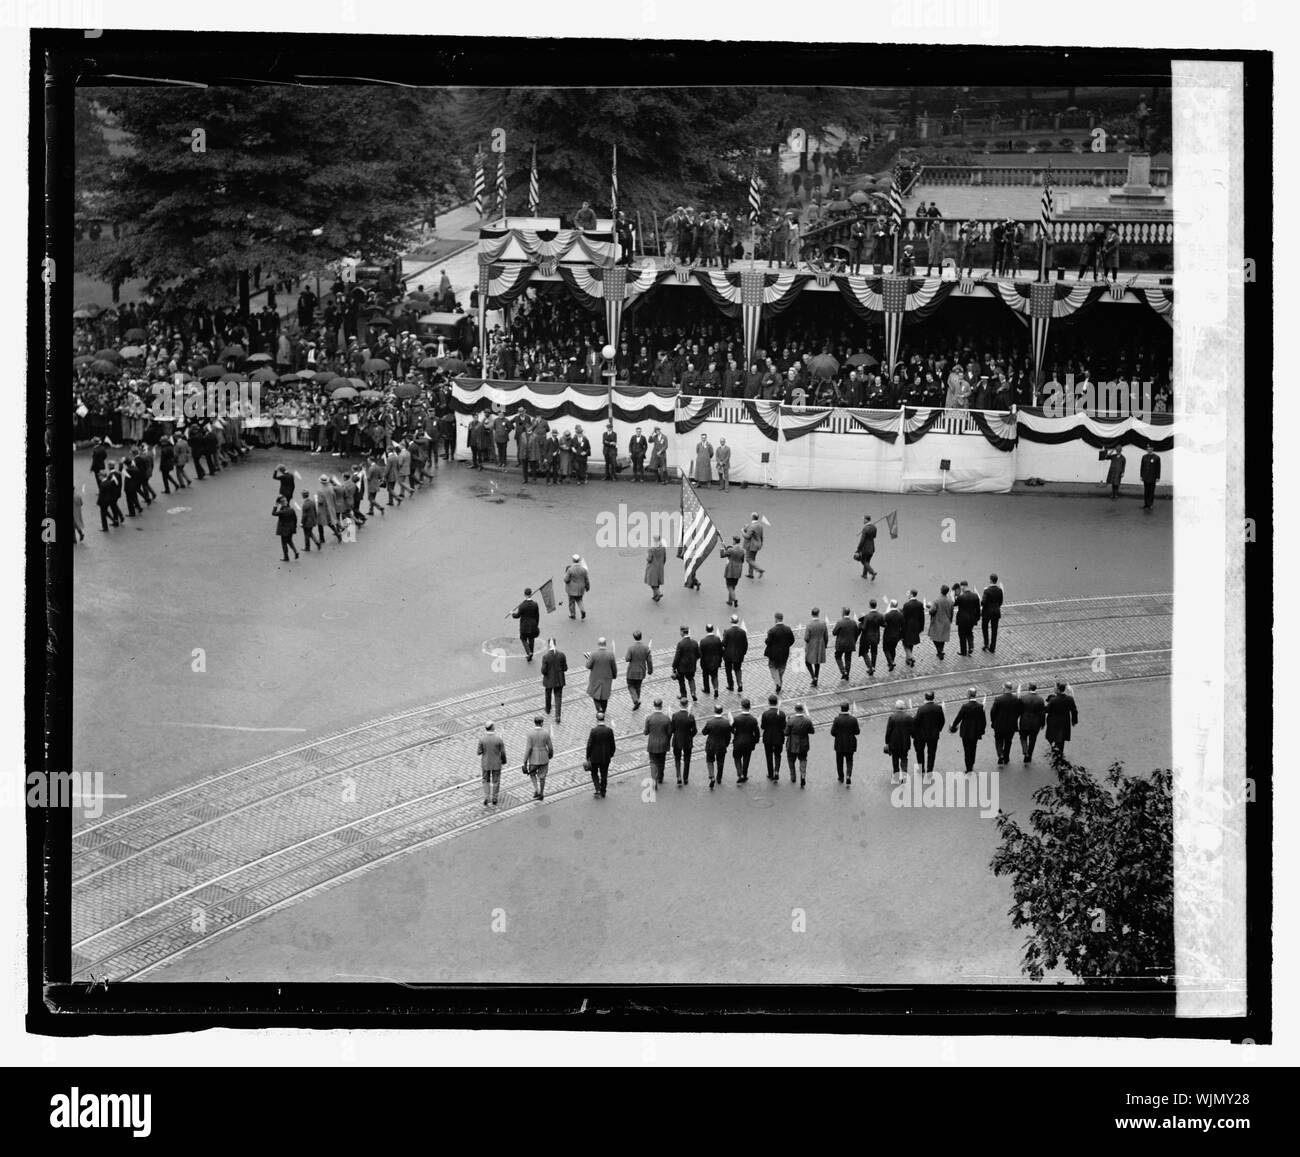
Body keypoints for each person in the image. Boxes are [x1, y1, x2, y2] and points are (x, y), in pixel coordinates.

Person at [949, 687, 987, 774]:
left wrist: (953, 727)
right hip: (976, 732)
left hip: (965, 732)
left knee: (967, 750)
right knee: (973, 748)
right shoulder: (980, 706)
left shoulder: (965, 706)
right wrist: (982, 730)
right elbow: (983, 721)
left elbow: (958, 718)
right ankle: (972, 763)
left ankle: (968, 768)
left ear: (969, 695)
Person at [912, 691, 945, 779]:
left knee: (920, 752)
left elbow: (916, 722)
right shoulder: (938, 708)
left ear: (925, 698)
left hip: (921, 736)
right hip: (933, 735)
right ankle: (929, 771)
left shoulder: (921, 709)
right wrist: (938, 730)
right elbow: (942, 721)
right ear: (933, 697)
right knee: (931, 753)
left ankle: (921, 769)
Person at [1044, 680, 1079, 761]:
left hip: (1054, 722)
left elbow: (1046, 710)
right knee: (1062, 739)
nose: (1055, 689)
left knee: (1053, 737)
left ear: (1059, 690)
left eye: (1056, 688)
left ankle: (1055, 753)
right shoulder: (1069, 699)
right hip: (1065, 722)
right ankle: (1060, 754)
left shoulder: (1053, 700)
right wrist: (1074, 721)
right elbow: (1074, 710)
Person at [990, 681, 1023, 766]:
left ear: (1004, 688)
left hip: (999, 725)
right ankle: (1006, 758)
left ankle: (1000, 755)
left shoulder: (998, 699)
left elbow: (993, 712)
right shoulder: (1016, 699)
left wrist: (993, 721)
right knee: (1008, 742)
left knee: (998, 741)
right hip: (1011, 725)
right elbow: (1020, 711)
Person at [784, 702, 815, 788]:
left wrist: (786, 723)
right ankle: (803, 776)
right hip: (803, 745)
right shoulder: (807, 721)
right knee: (803, 760)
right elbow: (812, 731)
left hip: (792, 745)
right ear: (802, 710)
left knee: (791, 761)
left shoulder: (790, 721)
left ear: (795, 710)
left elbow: (786, 733)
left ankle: (793, 777)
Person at [702, 703, 732, 790]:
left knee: (710, 761)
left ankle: (712, 777)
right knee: (720, 762)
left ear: (714, 711)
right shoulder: (726, 723)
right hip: (722, 745)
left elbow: (704, 732)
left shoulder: (710, 722)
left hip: (711, 745)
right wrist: (726, 744)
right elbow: (728, 736)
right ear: (722, 711)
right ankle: (719, 778)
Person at [477, 721, 507, 808]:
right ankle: (494, 798)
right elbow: (503, 752)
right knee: (496, 781)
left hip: (486, 763)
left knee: (486, 780)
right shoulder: (498, 739)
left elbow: (479, 752)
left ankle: (487, 797)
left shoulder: (482, 739)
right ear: (493, 727)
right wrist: (504, 761)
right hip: (496, 763)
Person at [523, 716, 554, 801]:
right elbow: (550, 747)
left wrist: (525, 761)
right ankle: (542, 793)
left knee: (532, 774)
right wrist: (550, 755)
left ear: (535, 723)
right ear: (541, 723)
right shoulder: (546, 733)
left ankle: (536, 789)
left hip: (533, 759)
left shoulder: (530, 734)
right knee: (542, 777)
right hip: (544, 758)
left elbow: (528, 749)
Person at [585, 637, 618, 717]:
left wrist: (588, 659)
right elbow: (614, 667)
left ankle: (599, 709)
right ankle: (603, 710)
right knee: (605, 696)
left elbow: (588, 666)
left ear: (598, 644)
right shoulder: (611, 655)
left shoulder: (594, 654)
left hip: (595, 679)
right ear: (605, 644)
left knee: (595, 696)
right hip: (606, 679)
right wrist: (614, 676)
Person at [586, 711, 616, 798]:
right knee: (604, 775)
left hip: (594, 757)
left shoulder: (594, 731)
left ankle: (597, 789)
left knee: (594, 773)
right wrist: (610, 754)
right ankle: (603, 791)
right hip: (605, 757)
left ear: (597, 720)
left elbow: (589, 745)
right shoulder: (609, 731)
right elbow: (613, 745)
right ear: (604, 719)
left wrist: (588, 756)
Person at [764, 612, 795, 694]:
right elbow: (792, 640)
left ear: (776, 619)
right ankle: (779, 682)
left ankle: (778, 683)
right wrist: (786, 646)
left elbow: (768, 642)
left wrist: (766, 640)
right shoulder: (788, 629)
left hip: (773, 654)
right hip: (784, 653)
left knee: (772, 667)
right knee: (781, 669)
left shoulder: (772, 631)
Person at [830, 701, 860, 786]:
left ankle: (841, 777)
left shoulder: (837, 719)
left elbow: (832, 732)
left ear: (841, 709)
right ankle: (848, 775)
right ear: (848, 709)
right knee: (849, 760)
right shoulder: (853, 719)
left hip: (839, 744)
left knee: (839, 762)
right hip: (850, 744)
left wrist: (838, 736)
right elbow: (857, 732)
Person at [884, 699, 914, 786]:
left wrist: (887, 741)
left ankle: (896, 776)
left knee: (895, 759)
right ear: (903, 708)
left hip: (894, 743)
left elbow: (888, 730)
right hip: (905, 743)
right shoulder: (908, 717)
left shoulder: (892, 717)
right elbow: (912, 730)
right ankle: (904, 775)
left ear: (896, 708)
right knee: (904, 758)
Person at [730, 698, 759, 784]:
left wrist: (733, 729)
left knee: (737, 758)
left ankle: (740, 774)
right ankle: (744, 774)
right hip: (749, 742)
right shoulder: (753, 720)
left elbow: (732, 729)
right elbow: (756, 733)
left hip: (738, 741)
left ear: (742, 707)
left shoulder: (737, 718)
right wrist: (755, 741)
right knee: (746, 759)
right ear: (749, 707)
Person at [644, 698, 672, 786]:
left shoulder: (649, 718)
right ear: (661, 706)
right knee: (661, 762)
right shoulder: (666, 718)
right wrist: (666, 740)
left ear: (654, 706)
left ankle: (654, 779)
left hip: (652, 744)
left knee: (653, 762)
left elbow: (646, 732)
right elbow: (669, 733)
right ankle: (660, 777)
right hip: (663, 744)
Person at [670, 697, 697, 786]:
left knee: (677, 759)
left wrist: (676, 732)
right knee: (687, 759)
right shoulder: (691, 716)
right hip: (687, 740)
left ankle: (678, 776)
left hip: (677, 739)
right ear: (686, 705)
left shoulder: (675, 715)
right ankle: (685, 778)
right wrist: (690, 736)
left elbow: (672, 729)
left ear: (680, 704)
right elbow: (695, 730)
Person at [760, 695, 787, 782]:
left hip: (768, 738)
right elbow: (783, 727)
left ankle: (770, 773)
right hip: (779, 737)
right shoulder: (782, 714)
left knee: (769, 756)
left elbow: (763, 727)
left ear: (769, 702)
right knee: (778, 755)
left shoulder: (765, 714)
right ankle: (777, 771)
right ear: (776, 702)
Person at [1018, 682, 1046, 762]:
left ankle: (1025, 750)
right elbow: (1042, 713)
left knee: (1023, 737)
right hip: (1035, 724)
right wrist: (1043, 723)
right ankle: (1028, 757)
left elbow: (1019, 710)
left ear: (1028, 688)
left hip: (1024, 722)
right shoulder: (1040, 699)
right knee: (1032, 740)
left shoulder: (1023, 698)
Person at [624, 630, 652, 710]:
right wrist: (650, 670)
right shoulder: (646, 648)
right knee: (638, 687)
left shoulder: (631, 648)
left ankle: (636, 700)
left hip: (631, 672)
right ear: (641, 637)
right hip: (641, 671)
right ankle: (637, 700)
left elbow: (627, 659)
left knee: (630, 686)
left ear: (634, 637)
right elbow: (649, 660)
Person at [541, 637, 567, 723]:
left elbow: (543, 671)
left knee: (548, 694)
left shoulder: (546, 657)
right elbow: (565, 668)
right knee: (558, 697)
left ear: (549, 645)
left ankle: (548, 709)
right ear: (555, 644)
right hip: (559, 680)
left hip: (549, 680)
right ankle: (558, 716)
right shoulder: (562, 655)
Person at [672, 624, 700, 703]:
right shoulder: (694, 642)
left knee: (681, 681)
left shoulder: (680, 644)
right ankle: (693, 692)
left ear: (682, 632)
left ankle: (683, 696)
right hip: (691, 666)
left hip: (681, 667)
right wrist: (693, 660)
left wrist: (674, 666)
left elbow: (677, 657)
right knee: (691, 679)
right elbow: (698, 655)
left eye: (680, 632)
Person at [720, 613, 748, 693]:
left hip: (728, 655)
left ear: (731, 621)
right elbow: (745, 644)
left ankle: (731, 686)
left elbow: (724, 644)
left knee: (728, 671)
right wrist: (743, 653)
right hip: (739, 655)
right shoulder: (742, 632)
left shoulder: (728, 632)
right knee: (738, 669)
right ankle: (739, 684)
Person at [511, 587, 540, 661]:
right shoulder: (535, 604)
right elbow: (537, 616)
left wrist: (512, 613)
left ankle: (529, 652)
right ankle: (531, 653)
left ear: (524, 595)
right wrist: (536, 625)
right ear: (531, 594)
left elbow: (517, 616)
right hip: (533, 625)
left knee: (523, 639)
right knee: (531, 639)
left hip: (524, 626)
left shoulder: (522, 605)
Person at [954, 580, 981, 656]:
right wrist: (977, 618)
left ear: (962, 586)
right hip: (972, 619)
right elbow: (978, 609)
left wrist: (956, 595)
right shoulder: (975, 596)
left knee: (962, 635)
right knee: (969, 633)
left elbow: (954, 604)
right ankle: (971, 646)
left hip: (962, 620)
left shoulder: (961, 597)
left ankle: (963, 652)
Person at [831, 606, 859, 681]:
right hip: (850, 644)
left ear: (843, 613)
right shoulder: (853, 622)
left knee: (838, 657)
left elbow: (834, 633)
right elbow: (857, 633)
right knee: (848, 659)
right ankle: (847, 674)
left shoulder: (840, 623)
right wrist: (854, 641)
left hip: (841, 644)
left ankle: (843, 672)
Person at [857, 598, 884, 677]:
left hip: (867, 638)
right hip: (876, 637)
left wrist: (860, 625)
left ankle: (870, 667)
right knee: (874, 652)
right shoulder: (880, 615)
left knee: (864, 652)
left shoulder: (867, 617)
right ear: (876, 605)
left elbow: (864, 628)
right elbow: (884, 624)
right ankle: (873, 666)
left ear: (869, 606)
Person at [928, 583, 954, 660]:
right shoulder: (950, 601)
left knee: (934, 638)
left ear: (941, 591)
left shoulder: (936, 600)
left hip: (937, 621)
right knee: (942, 638)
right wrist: (950, 620)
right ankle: (940, 650)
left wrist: (929, 607)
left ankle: (940, 651)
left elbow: (932, 611)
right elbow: (952, 612)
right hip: (946, 621)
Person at [804, 608, 828, 688]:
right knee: (817, 663)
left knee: (807, 662)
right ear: (818, 614)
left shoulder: (809, 625)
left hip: (811, 646)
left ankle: (813, 677)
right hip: (820, 645)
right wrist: (825, 645)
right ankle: (816, 679)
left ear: (812, 614)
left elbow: (806, 638)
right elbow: (826, 636)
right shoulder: (823, 623)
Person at [901, 590, 926, 669]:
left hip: (908, 627)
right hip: (916, 627)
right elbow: (922, 617)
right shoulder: (920, 604)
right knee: (911, 642)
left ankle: (911, 657)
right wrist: (921, 627)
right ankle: (907, 659)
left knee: (905, 643)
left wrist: (901, 629)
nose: (907, 595)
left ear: (911, 595)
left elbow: (903, 618)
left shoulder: (906, 605)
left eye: (908, 594)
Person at [699, 623, 723, 699]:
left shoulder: (703, 641)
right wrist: (719, 660)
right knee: (715, 676)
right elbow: (721, 651)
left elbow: (700, 653)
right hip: (715, 662)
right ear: (713, 629)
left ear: (706, 630)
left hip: (706, 663)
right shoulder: (717, 639)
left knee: (705, 677)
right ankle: (716, 689)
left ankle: (707, 689)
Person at [980, 573, 1004, 653]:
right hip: (996, 612)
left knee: (984, 627)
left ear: (990, 580)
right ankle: (992, 648)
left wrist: (984, 593)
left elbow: (983, 602)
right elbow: (1000, 602)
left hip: (987, 612)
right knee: (994, 630)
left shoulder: (987, 590)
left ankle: (986, 644)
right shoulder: (999, 590)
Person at [719, 535, 745, 607]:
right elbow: (742, 561)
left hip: (730, 570)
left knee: (729, 586)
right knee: (733, 586)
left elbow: (722, 555)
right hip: (738, 570)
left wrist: (722, 548)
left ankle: (734, 599)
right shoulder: (742, 551)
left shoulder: (731, 550)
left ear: (734, 541)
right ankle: (730, 601)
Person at [273, 495, 300, 561]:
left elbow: (273, 513)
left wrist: (276, 505)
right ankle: (295, 551)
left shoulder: (282, 512)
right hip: (291, 529)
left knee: (284, 543)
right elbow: (295, 519)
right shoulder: (291, 510)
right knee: (290, 540)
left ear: (281, 503)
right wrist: (295, 526)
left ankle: (286, 557)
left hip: (284, 530)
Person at [563, 553, 590, 619]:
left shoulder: (570, 569)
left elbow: (566, 579)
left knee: (571, 602)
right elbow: (586, 579)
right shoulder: (583, 569)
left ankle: (573, 615)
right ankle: (582, 610)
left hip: (571, 589)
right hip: (581, 588)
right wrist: (587, 586)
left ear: (573, 560)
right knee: (579, 600)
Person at [881, 598, 904, 673]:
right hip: (896, 636)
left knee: (886, 649)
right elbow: (903, 625)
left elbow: (882, 623)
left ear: (890, 605)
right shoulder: (900, 615)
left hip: (888, 635)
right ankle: (892, 661)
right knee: (893, 649)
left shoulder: (887, 615)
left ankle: (891, 662)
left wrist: (886, 611)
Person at [643, 534, 667, 603]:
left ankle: (658, 593)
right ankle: (655, 596)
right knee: (657, 582)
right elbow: (665, 559)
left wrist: (647, 558)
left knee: (652, 583)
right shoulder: (663, 548)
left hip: (652, 568)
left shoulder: (651, 549)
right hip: (660, 568)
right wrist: (661, 565)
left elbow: (649, 559)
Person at [741, 513, 766, 578]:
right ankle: (750, 574)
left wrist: (742, 531)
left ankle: (759, 569)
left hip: (751, 545)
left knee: (748, 559)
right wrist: (761, 544)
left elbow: (747, 536)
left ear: (752, 517)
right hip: (758, 544)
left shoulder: (752, 526)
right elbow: (761, 536)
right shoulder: (760, 525)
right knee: (752, 559)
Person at [1140, 442, 1161, 509]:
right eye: (1147, 448)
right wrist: (1141, 475)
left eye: (1149, 448)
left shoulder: (1157, 457)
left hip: (1152, 477)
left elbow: (1158, 468)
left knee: (1151, 491)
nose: (1148, 450)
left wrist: (1158, 477)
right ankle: (1146, 504)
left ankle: (1150, 504)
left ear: (1152, 449)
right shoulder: (1144, 457)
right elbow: (1142, 467)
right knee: (1146, 491)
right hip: (1145, 477)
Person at [855, 514, 878, 579]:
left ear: (866, 520)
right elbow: (874, 536)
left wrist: (858, 549)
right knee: (867, 562)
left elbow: (862, 541)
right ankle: (864, 575)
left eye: (864, 519)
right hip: (872, 548)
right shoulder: (874, 527)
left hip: (865, 548)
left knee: (863, 561)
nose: (863, 521)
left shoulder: (865, 528)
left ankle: (872, 572)